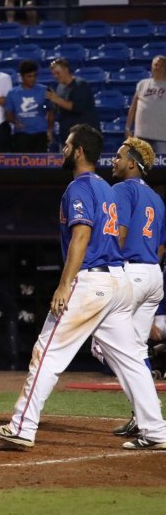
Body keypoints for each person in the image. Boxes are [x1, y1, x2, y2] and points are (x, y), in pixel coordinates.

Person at [0, 124, 166, 450]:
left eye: (67, 145)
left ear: (79, 151)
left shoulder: (80, 187)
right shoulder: (109, 188)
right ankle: (156, 430)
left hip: (92, 280)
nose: (63, 150)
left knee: (46, 353)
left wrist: (64, 284)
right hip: (119, 281)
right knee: (131, 359)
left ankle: (22, 426)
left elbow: (81, 235)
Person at [106, 137, 166, 438]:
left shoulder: (120, 189)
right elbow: (161, 247)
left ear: (132, 163)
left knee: (103, 344)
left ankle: (148, 410)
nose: (113, 161)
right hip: (154, 273)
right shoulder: (157, 197)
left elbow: (119, 233)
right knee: (136, 349)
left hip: (130, 271)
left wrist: (111, 270)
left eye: (118, 157)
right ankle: (145, 415)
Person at [47, 58, 99, 145]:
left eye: (58, 73)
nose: (56, 76)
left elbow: (77, 107)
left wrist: (56, 99)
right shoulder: (60, 87)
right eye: (54, 74)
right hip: (67, 136)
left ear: (66, 70)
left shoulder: (80, 85)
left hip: (84, 136)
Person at [5, 60, 51, 153]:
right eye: (29, 76)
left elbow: (48, 109)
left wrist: (44, 107)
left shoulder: (44, 90)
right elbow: (8, 115)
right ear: (22, 77)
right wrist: (15, 121)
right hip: (21, 135)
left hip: (40, 134)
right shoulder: (12, 93)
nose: (32, 79)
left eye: (34, 76)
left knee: (40, 165)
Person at [126, 55, 166, 153]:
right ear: (151, 66)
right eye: (156, 65)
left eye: (162, 65)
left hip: (162, 137)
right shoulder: (142, 84)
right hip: (141, 136)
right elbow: (133, 107)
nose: (158, 68)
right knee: (139, 166)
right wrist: (128, 128)